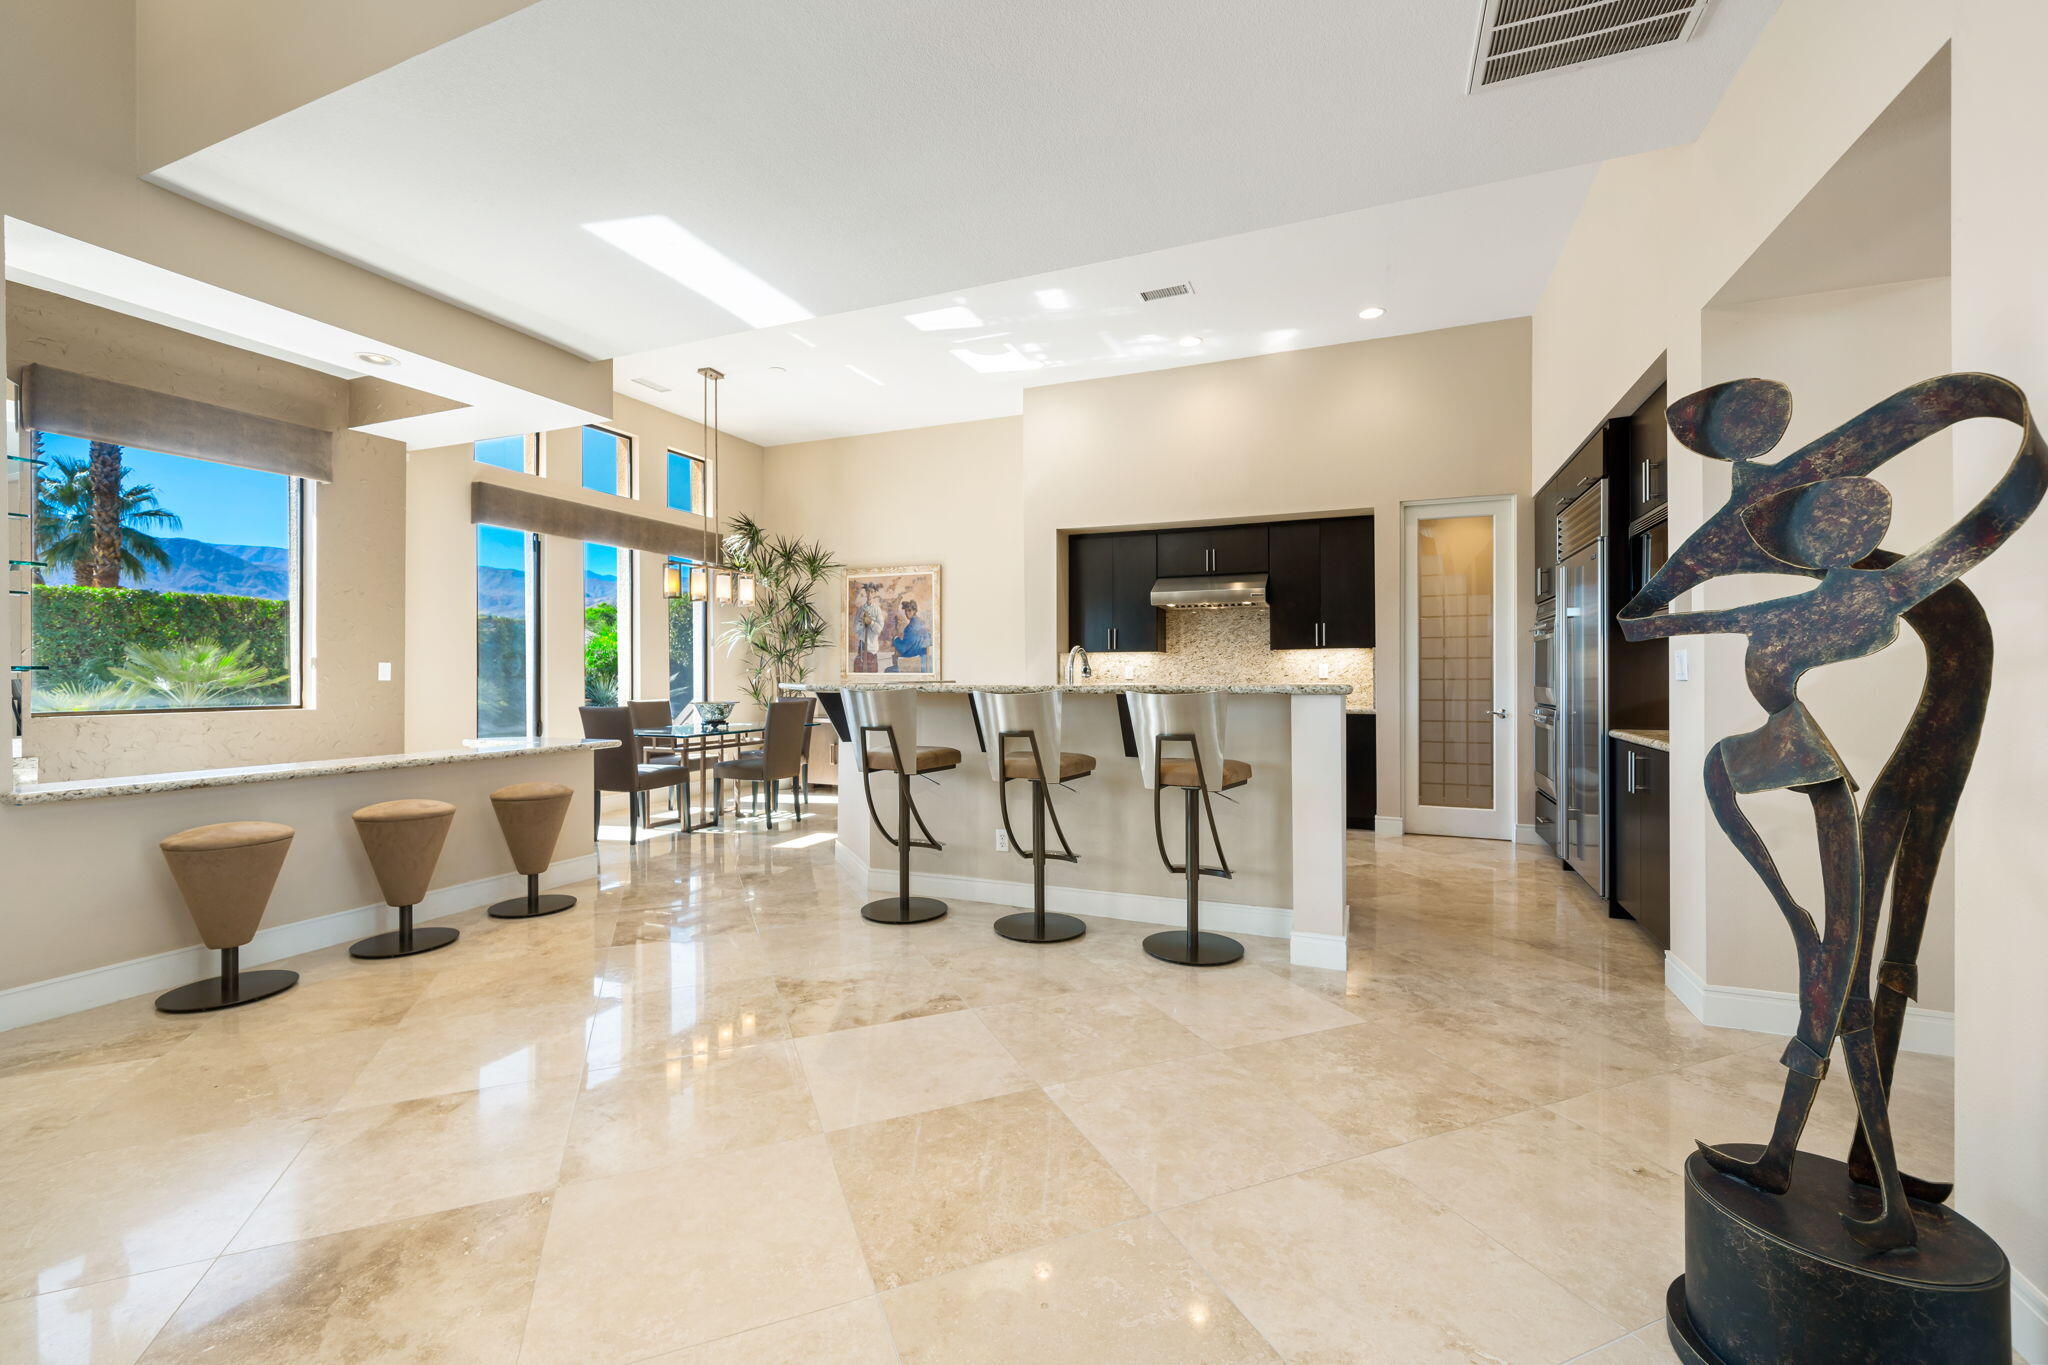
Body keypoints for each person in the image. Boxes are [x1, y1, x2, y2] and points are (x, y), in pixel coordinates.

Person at [1622, 372, 2048, 1252]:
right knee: (1840, 961)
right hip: (1822, 762)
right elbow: (1668, 613)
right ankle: (1815, 1154)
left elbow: (1970, 531)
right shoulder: (1819, 585)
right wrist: (1660, 614)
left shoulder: (1857, 596)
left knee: (1848, 970)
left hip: (1846, 767)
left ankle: (1877, 1181)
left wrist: (1664, 613)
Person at [888, 598, 931, 673]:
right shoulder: (922, 624)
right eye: (905, 611)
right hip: (923, 662)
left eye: (909, 610)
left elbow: (903, 648)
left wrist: (895, 639)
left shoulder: (910, 628)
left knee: (888, 670)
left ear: (914, 611)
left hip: (912, 662)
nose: (907, 613)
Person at [852, 583, 884, 674]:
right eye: (868, 591)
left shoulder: (877, 610)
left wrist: (871, 622)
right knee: (859, 670)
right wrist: (862, 622)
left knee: (872, 672)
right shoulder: (861, 609)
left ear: (874, 594)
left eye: (872, 592)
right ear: (865, 593)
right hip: (862, 646)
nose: (869, 594)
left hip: (872, 647)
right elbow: (855, 628)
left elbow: (879, 629)